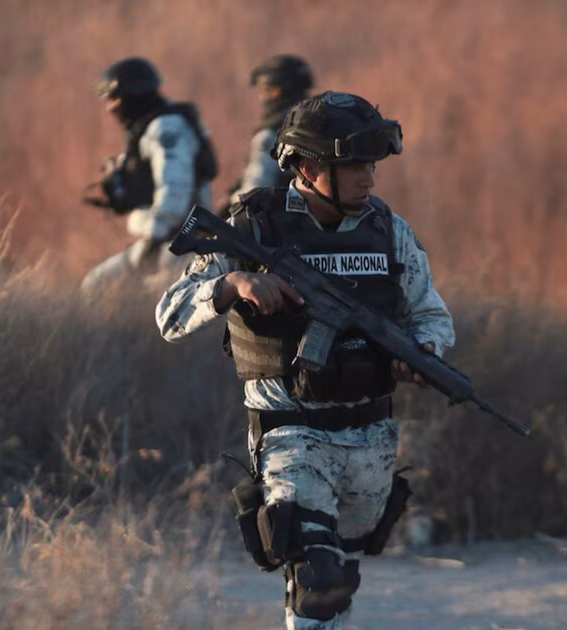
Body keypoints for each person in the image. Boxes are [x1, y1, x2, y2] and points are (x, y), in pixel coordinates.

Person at [155, 91, 455, 630]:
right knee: (316, 579)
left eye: (372, 165)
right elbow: (169, 315)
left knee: (337, 581)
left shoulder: (390, 232)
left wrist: (425, 352)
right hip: (291, 436)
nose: (370, 178)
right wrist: (233, 283)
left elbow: (430, 314)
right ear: (311, 167)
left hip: (371, 441)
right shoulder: (252, 229)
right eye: (356, 165)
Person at [82, 57, 217, 293]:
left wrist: (151, 244)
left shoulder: (167, 128)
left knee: (106, 289)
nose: (109, 107)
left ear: (132, 95)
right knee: (97, 285)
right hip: (164, 241)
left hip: (177, 246)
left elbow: (175, 190)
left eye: (114, 99)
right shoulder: (151, 127)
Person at [220, 54, 314, 216]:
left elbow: (255, 189)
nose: (261, 97)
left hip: (278, 222)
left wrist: (229, 205)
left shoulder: (273, 132)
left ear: (277, 91)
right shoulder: (315, 123)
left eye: (265, 91)